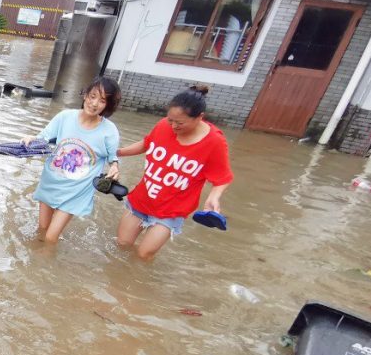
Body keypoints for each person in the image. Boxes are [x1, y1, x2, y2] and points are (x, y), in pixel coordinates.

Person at [116, 85, 233, 260]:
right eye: (170, 120)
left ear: (200, 117)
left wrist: (214, 197)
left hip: (171, 210)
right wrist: (118, 152)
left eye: (180, 123)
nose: (173, 126)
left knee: (144, 254)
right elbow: (146, 144)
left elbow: (222, 177)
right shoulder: (163, 125)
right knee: (122, 245)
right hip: (142, 199)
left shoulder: (214, 142)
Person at [22, 77, 122, 244]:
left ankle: (46, 268)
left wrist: (114, 168)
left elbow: (113, 159)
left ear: (108, 105)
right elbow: (43, 138)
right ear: (85, 96)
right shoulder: (65, 117)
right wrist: (30, 138)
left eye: (102, 100)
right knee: (42, 229)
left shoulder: (109, 131)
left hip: (77, 190)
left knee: (50, 238)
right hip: (51, 182)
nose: (95, 103)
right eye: (92, 96)